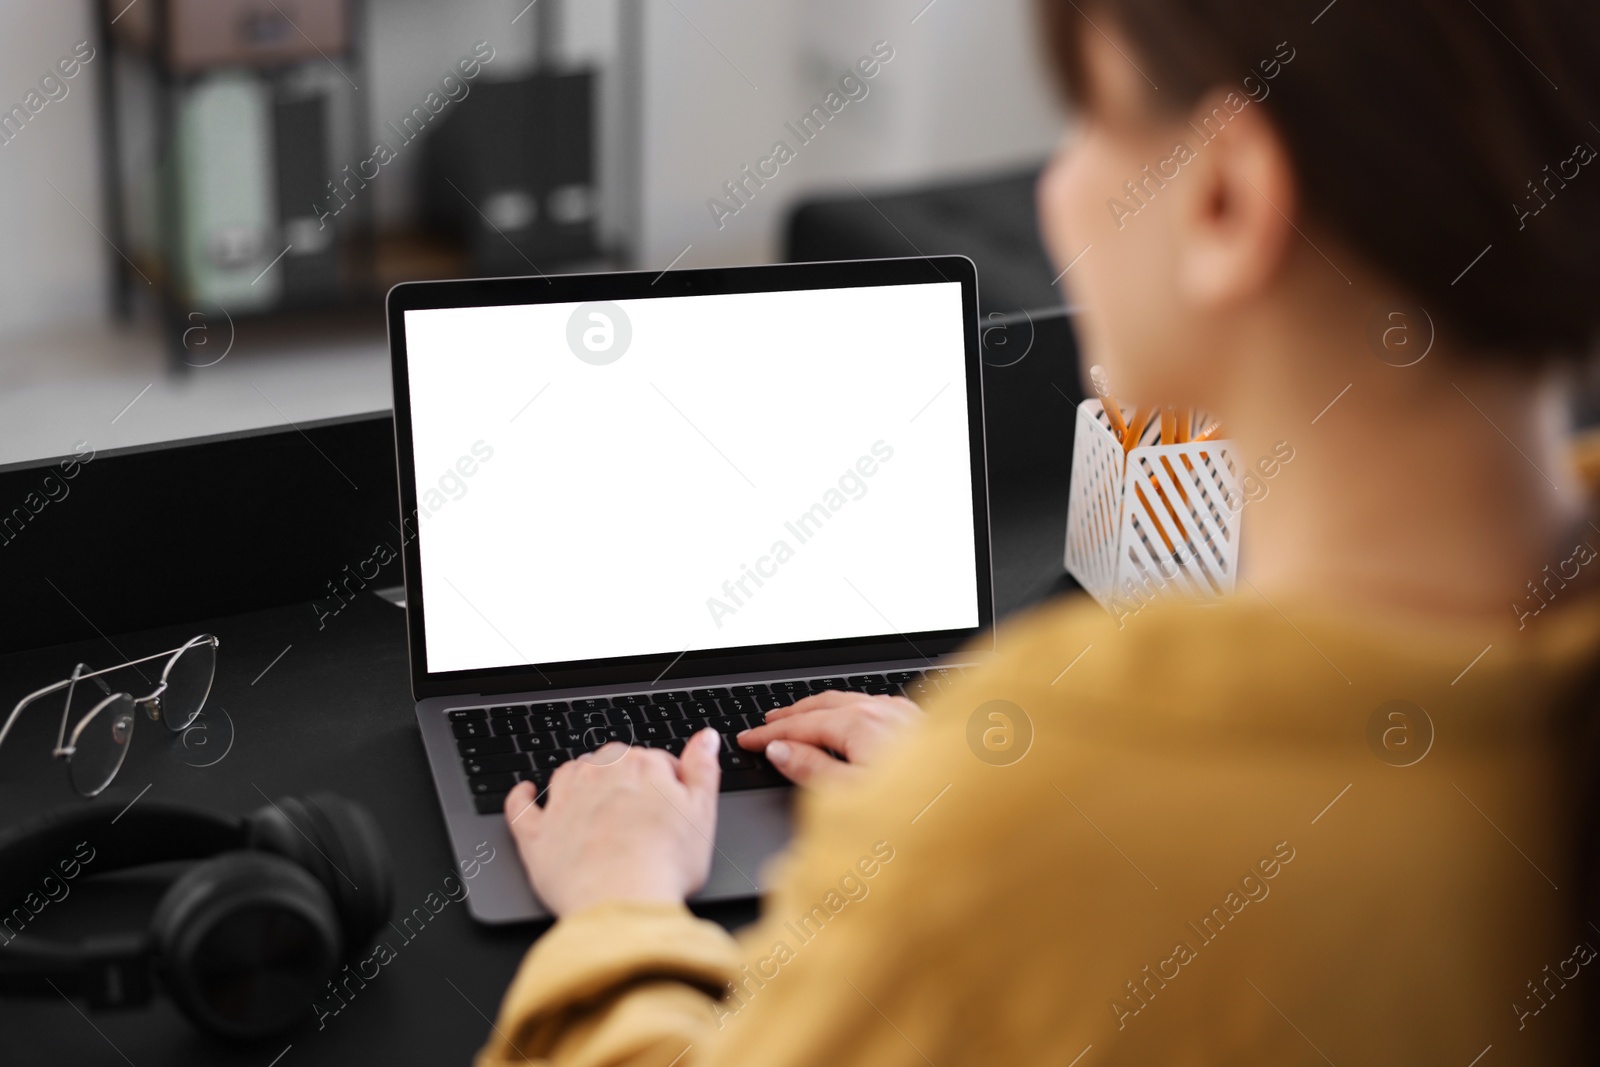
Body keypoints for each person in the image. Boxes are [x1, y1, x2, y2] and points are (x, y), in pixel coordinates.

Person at [478, 1, 1600, 1062]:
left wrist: (621, 892)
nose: (1059, 190)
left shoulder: (1045, 808)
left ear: (1224, 197)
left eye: (1091, 125)